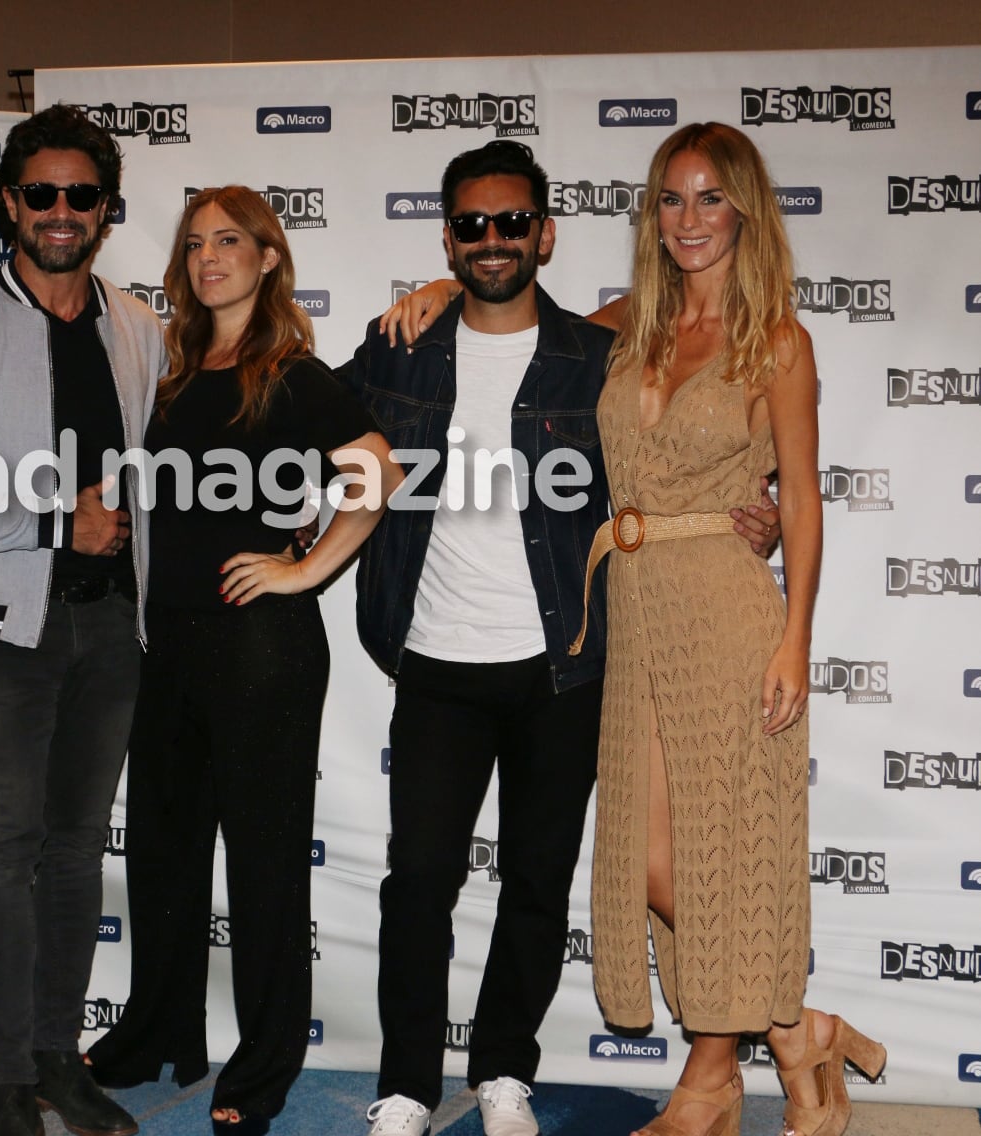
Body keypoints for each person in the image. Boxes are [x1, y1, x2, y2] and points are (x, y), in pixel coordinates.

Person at [348, 142, 782, 1136]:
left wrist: (751, 513)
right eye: (470, 224)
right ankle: (408, 1083)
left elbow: (683, 429)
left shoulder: (600, 353)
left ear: (544, 233)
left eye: (511, 222)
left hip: (567, 663)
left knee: (538, 880)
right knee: (418, 876)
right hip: (437, 660)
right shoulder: (402, 346)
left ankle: (505, 1071)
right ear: (448, 236)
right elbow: (312, 415)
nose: (492, 240)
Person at [579, 122, 883, 1136]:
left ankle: (711, 1078)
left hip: (726, 606)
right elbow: (507, 309)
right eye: (671, 198)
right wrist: (439, 292)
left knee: (719, 847)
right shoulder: (622, 324)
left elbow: (799, 499)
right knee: (651, 858)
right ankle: (800, 1033)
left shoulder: (777, 340)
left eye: (711, 198)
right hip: (634, 606)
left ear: (745, 210)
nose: (689, 219)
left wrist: (794, 637)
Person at [84, 187, 401, 1136]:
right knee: (164, 855)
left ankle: (265, 1063)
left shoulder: (291, 373)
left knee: (264, 867)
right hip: (169, 644)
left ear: (269, 257)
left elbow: (377, 474)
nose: (209, 257)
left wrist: (304, 569)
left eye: (230, 241)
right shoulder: (171, 371)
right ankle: (159, 1030)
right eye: (194, 245)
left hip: (262, 650)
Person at [0, 104, 165, 1136]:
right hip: (4, 625)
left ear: (104, 209)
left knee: (75, 846)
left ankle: (59, 1052)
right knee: (4, 848)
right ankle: (7, 1072)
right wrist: (54, 523)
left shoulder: (136, 325)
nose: (60, 211)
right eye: (40, 193)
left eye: (80, 195)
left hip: (112, 629)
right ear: (10, 202)